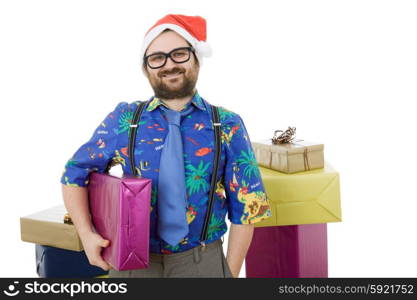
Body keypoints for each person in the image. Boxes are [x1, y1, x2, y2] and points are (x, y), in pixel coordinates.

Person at [61, 14, 271, 278]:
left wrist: (228, 273)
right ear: (147, 68)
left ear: (196, 59)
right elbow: (74, 174)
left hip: (202, 261)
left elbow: (247, 207)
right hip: (132, 263)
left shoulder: (227, 124)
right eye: (157, 58)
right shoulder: (125, 119)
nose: (169, 64)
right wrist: (86, 233)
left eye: (179, 54)